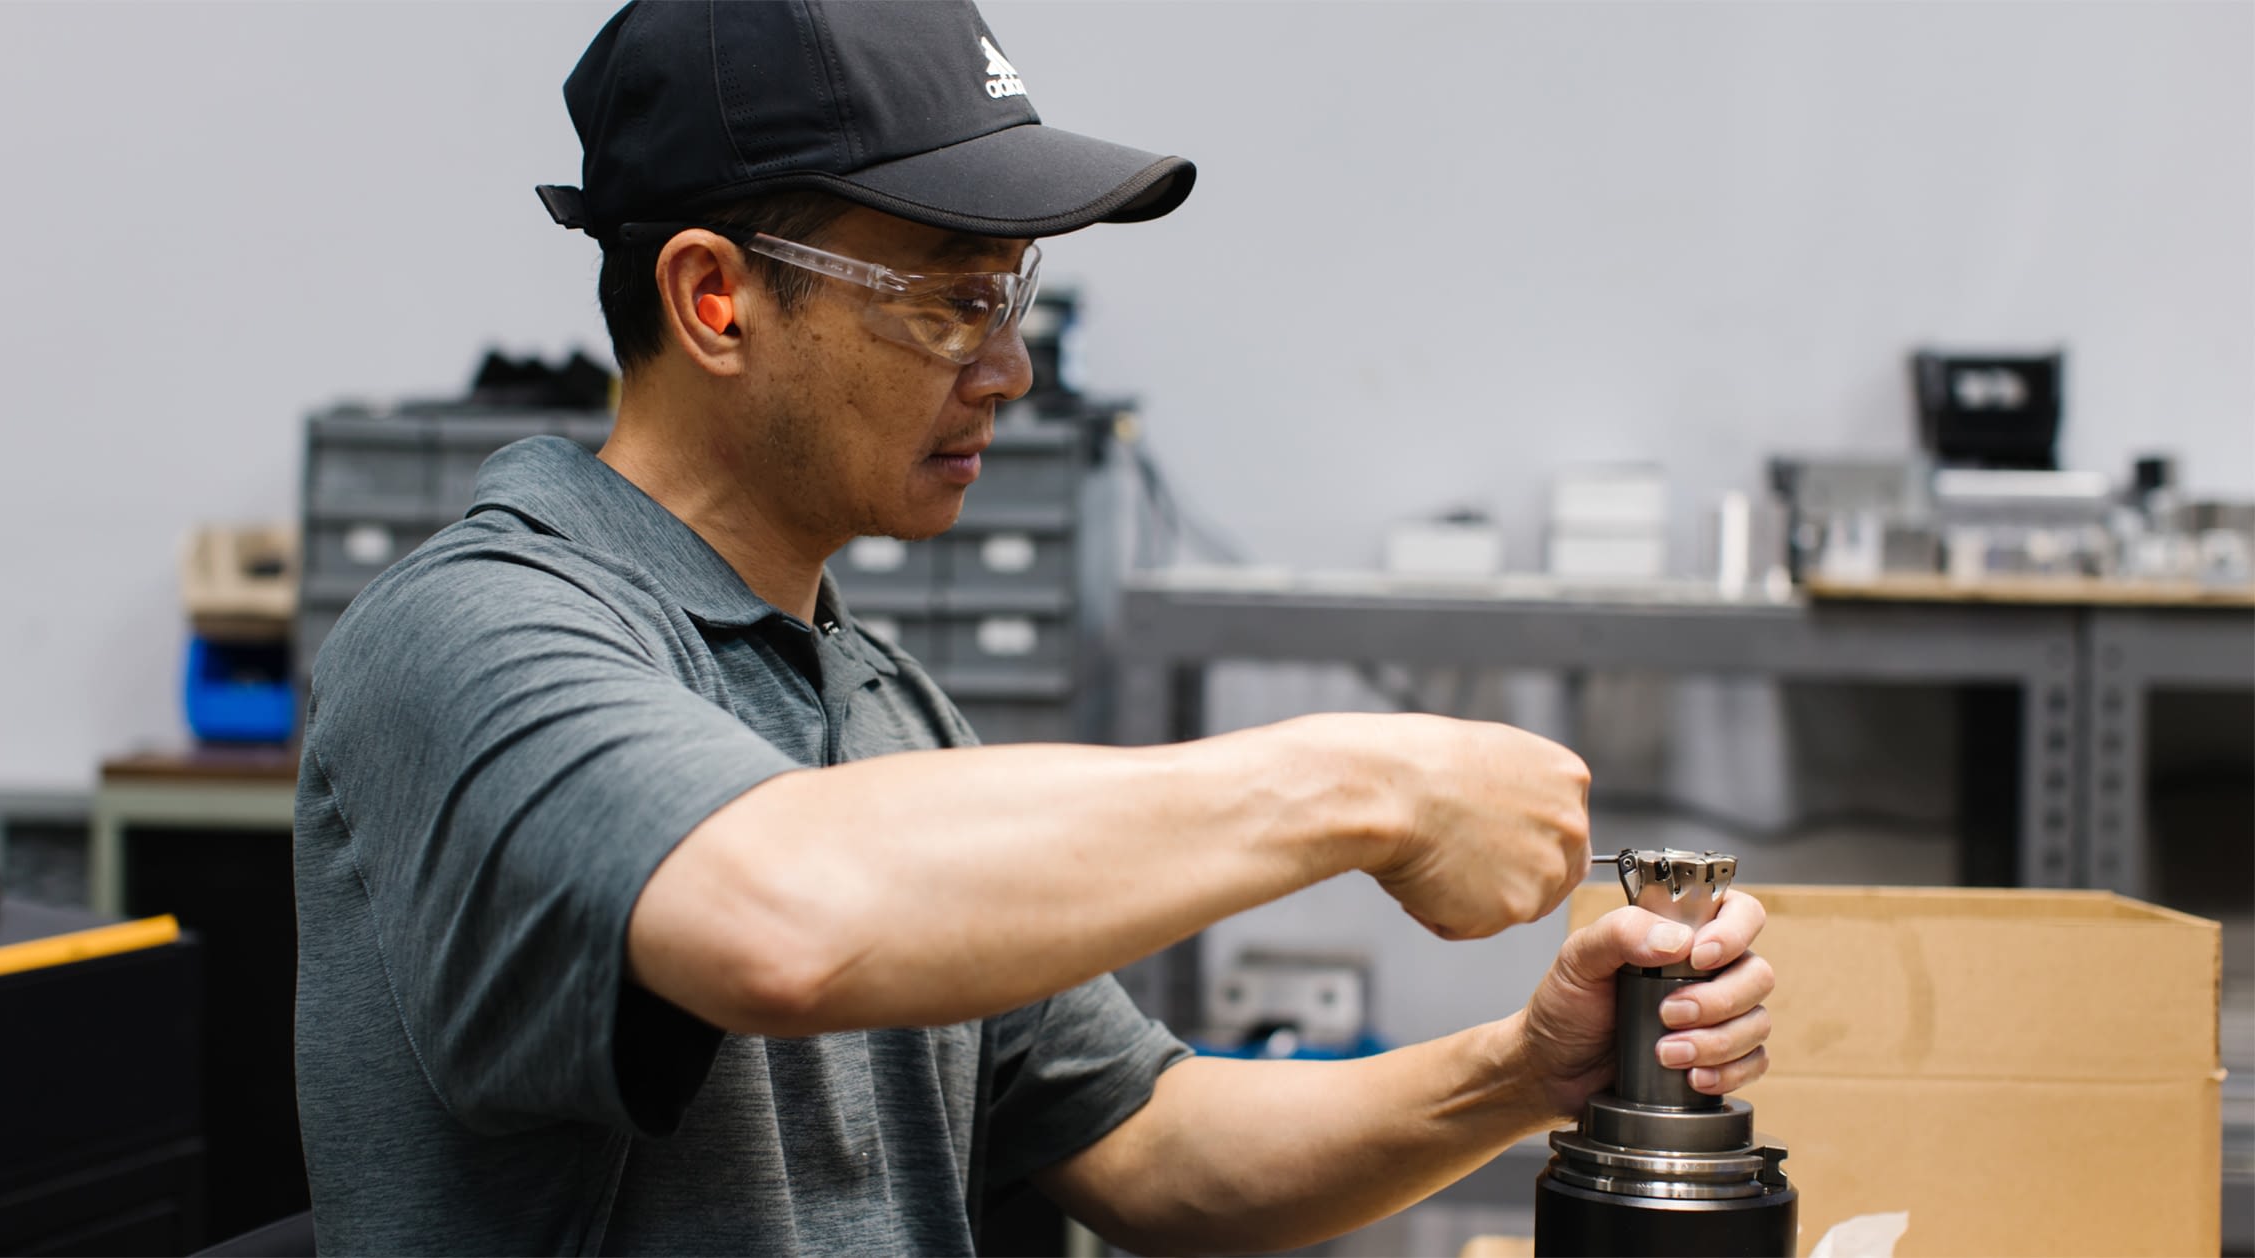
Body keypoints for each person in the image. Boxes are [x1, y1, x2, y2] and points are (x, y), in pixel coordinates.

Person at [291, 2, 1774, 1253]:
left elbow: (1151, 1143)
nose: (1006, 367)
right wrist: (1367, 785)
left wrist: (1522, 1072)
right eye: (949, 299)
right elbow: (778, 917)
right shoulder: (467, 639)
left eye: (1011, 294)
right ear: (716, 301)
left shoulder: (884, 708)